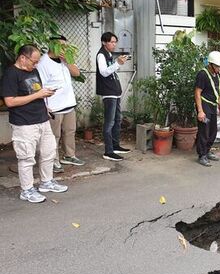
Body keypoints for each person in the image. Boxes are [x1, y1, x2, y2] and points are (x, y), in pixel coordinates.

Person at [3, 44, 68, 203]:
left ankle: (46, 182)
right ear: (22, 58)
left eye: (38, 61)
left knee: (49, 151)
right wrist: (38, 94)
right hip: (24, 124)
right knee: (26, 157)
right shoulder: (11, 74)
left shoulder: (34, 71)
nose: (36, 64)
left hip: (42, 119)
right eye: (34, 61)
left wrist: (45, 103)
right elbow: (10, 101)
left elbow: (36, 91)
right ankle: (27, 190)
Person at [37, 35, 85, 173]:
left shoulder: (65, 60)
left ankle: (69, 155)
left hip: (69, 103)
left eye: (65, 45)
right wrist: (44, 106)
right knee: (53, 135)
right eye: (60, 45)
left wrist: (67, 61)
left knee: (70, 131)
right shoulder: (43, 63)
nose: (64, 48)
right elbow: (40, 86)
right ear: (52, 46)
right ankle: (53, 160)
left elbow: (76, 73)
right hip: (54, 106)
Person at [96, 32, 131, 161]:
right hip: (108, 93)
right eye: (111, 42)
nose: (114, 44)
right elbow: (104, 72)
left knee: (117, 120)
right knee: (109, 122)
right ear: (104, 42)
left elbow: (111, 71)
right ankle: (108, 151)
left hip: (115, 92)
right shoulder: (101, 55)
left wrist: (117, 63)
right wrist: (118, 63)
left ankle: (115, 145)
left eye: (115, 42)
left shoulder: (109, 54)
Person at [195, 51, 220, 167]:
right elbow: (197, 93)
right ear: (211, 64)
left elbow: (217, 90)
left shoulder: (216, 74)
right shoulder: (202, 74)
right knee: (204, 131)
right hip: (204, 105)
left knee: (213, 131)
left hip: (213, 105)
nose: (219, 68)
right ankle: (202, 155)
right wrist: (200, 111)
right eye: (217, 66)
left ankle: (207, 151)